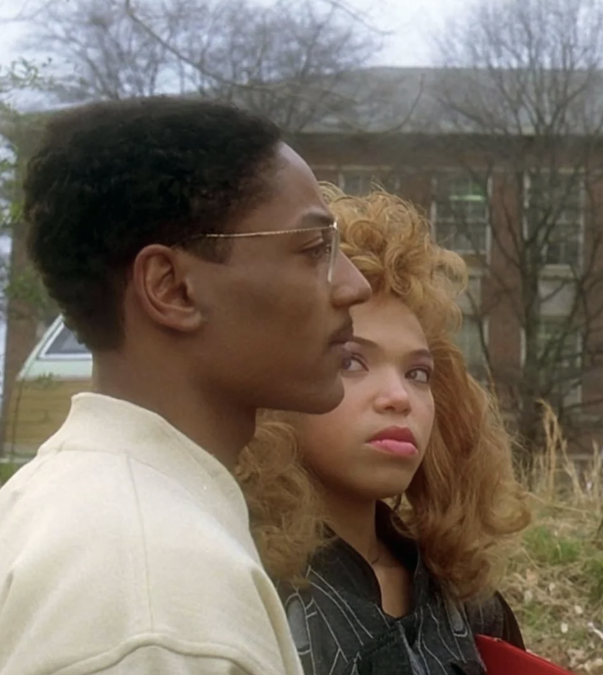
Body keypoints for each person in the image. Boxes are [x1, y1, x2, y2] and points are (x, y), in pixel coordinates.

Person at [0, 97, 372, 674]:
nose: (354, 285)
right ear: (172, 288)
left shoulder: (58, 502)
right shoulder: (157, 601)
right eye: (313, 249)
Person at [236, 185, 531, 675]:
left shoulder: (472, 608)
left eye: (418, 373)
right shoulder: (239, 593)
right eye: (352, 362)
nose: (399, 397)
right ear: (270, 382)